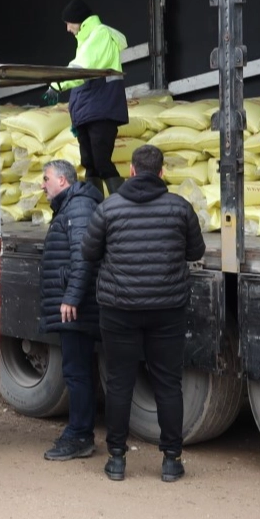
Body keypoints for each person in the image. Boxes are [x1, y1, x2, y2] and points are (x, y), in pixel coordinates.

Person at [80, 143, 206, 483]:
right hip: (167, 308)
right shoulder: (180, 208)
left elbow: (89, 252)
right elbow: (196, 250)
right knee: (168, 382)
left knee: (120, 381)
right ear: (162, 172)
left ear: (131, 171)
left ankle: (117, 460)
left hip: (119, 308)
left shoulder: (109, 208)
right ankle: (171, 461)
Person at [37, 159, 105, 462]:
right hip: (74, 305)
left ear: (63, 181)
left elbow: (84, 258)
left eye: (46, 178)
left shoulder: (77, 208)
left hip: (76, 308)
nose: (43, 184)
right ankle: (79, 431)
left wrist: (72, 298)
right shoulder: (70, 207)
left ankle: (80, 436)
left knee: (76, 373)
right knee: (76, 372)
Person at [44, 0, 129, 197]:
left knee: (101, 163)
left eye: (68, 23)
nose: (67, 29)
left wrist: (57, 84)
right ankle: (95, 209)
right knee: (90, 163)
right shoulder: (86, 40)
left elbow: (81, 68)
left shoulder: (99, 35)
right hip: (89, 112)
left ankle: (124, 207)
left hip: (101, 110)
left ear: (79, 21)